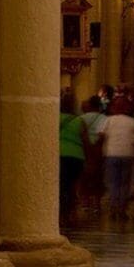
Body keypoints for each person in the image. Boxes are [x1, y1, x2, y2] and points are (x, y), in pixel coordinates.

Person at [97, 91, 134, 228]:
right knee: (124, 183)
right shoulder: (133, 122)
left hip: (111, 154)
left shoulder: (108, 120)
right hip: (128, 154)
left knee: (113, 182)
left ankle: (113, 207)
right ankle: (122, 208)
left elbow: (101, 136)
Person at [55, 95, 87, 227]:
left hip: (58, 154)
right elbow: (85, 140)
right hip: (76, 157)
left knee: (60, 186)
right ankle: (70, 214)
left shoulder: (54, 118)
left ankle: (60, 215)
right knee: (72, 187)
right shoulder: (79, 121)